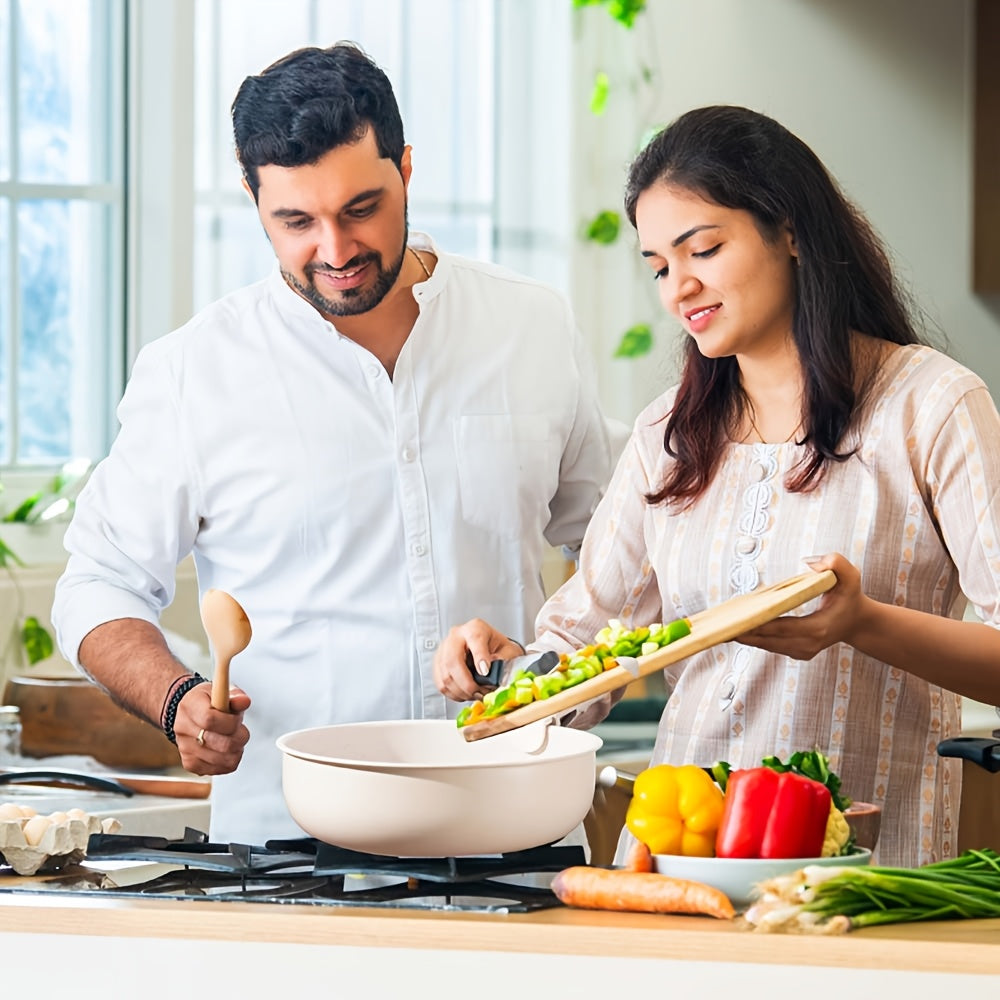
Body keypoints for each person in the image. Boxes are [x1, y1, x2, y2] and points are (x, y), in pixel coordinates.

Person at [52, 42, 617, 844]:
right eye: (295, 221)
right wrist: (176, 697)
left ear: (407, 169)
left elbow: (615, 552)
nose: (337, 250)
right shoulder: (194, 371)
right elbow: (96, 586)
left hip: (515, 829)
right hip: (290, 850)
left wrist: (555, 662)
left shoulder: (530, 324)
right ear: (253, 200)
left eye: (361, 208)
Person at [433, 105, 1000, 869]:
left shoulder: (931, 406)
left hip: (865, 875)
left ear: (790, 229)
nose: (679, 288)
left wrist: (861, 621)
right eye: (660, 266)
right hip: (676, 864)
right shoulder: (668, 435)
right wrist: (509, 675)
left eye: (703, 248)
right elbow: (585, 645)